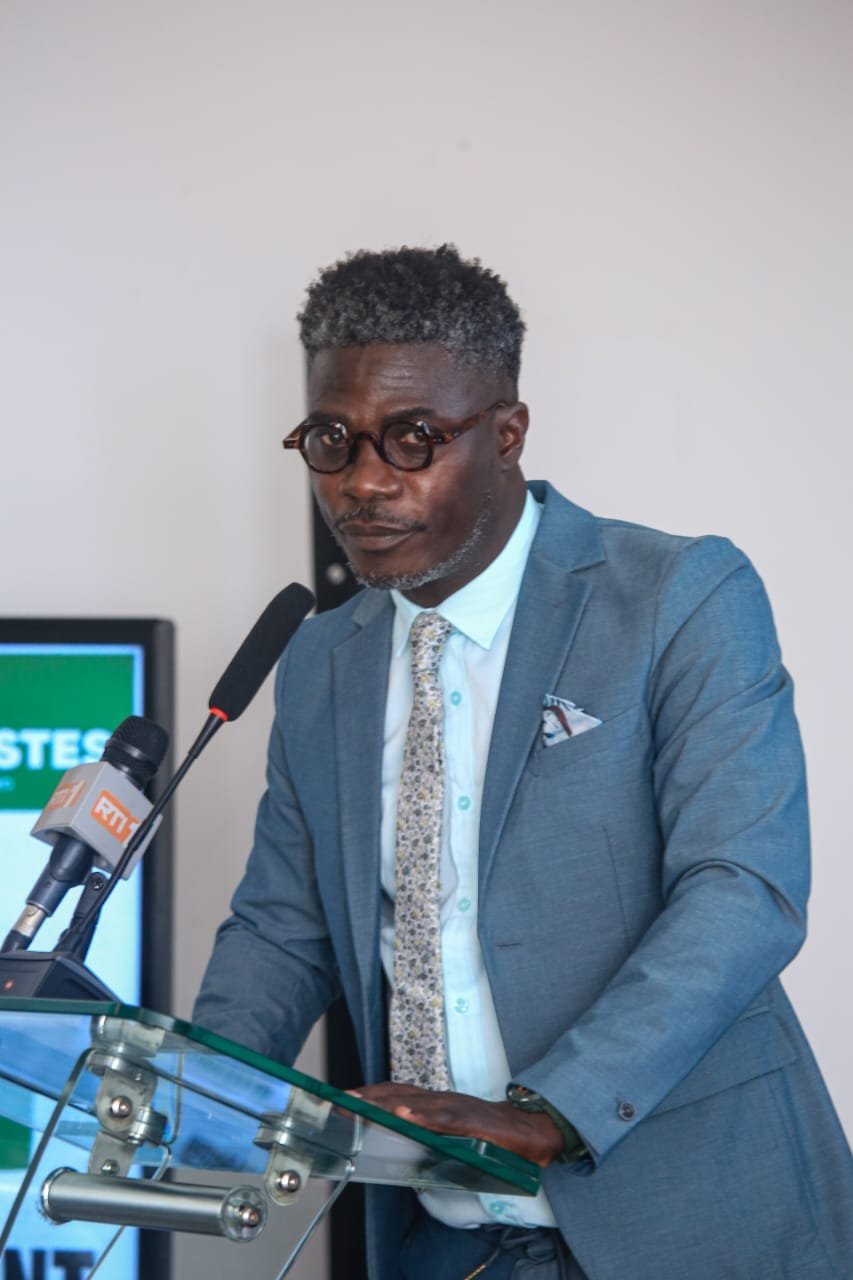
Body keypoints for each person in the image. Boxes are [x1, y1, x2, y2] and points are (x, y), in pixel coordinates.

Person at [194, 245, 853, 1280]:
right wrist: (194, 1085)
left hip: (689, 1220)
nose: (363, 481)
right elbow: (285, 923)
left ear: (506, 433)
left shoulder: (677, 596)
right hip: (438, 1236)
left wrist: (549, 1111)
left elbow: (744, 890)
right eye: (331, 440)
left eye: (415, 438)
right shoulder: (321, 660)